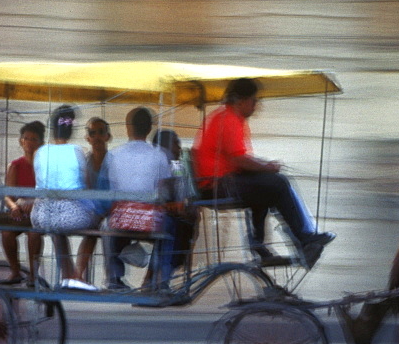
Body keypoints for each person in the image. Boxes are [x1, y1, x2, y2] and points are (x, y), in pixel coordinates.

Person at [191, 77, 334, 268]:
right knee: (278, 183)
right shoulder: (229, 119)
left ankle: (263, 245)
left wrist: (265, 166)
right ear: (241, 101)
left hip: (223, 181)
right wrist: (267, 167)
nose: (256, 106)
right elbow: (239, 160)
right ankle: (304, 238)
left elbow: (240, 158)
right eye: (254, 101)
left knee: (269, 184)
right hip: (216, 186)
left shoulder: (229, 117)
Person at [98, 107, 173, 291]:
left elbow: (105, 189)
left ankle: (114, 279)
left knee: (106, 225)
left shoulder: (113, 154)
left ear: (128, 128)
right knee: (170, 228)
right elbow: (165, 189)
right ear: (149, 129)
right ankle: (157, 279)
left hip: (120, 218)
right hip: (150, 220)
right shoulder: (161, 155)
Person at [30, 104, 99, 291]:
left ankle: (67, 276)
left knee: (57, 232)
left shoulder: (40, 151)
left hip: (42, 214)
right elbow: (85, 183)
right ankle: (77, 275)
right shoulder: (77, 151)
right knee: (95, 225)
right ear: (72, 128)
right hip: (71, 213)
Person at [0, 121, 45, 285]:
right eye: (26, 138)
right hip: (20, 212)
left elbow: (48, 193)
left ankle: (33, 274)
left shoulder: (44, 166)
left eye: (34, 139)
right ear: (21, 141)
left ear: (41, 143)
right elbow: (7, 195)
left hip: (38, 211)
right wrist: (13, 206)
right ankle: (15, 271)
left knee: (34, 234)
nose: (29, 143)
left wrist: (35, 203)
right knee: (6, 233)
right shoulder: (15, 165)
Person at [153, 128, 197, 273]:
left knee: (189, 219)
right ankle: (163, 275)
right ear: (165, 147)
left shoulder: (177, 166)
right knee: (177, 225)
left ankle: (158, 275)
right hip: (155, 216)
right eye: (175, 144)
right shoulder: (161, 166)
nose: (179, 148)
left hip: (171, 213)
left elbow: (183, 194)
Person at [75, 117, 112, 283]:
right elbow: (83, 190)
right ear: (87, 138)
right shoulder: (84, 162)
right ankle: (77, 275)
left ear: (107, 136)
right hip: (91, 211)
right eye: (92, 133)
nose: (97, 136)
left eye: (101, 132)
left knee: (107, 228)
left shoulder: (114, 161)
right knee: (91, 230)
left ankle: (111, 277)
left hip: (111, 210)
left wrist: (106, 212)